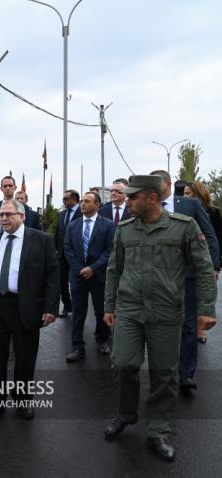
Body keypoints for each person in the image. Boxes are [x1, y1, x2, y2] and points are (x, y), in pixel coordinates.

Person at [102, 175, 217, 462]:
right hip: (129, 308)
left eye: (132, 197)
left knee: (164, 374)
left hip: (166, 312)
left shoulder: (183, 227)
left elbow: (203, 269)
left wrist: (206, 308)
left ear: (152, 198)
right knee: (123, 362)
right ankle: (127, 413)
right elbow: (114, 269)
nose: (126, 202)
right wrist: (109, 305)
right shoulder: (125, 229)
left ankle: (158, 429)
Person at [0, 199, 59, 420]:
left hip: (26, 306)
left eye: (9, 215)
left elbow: (53, 275)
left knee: (25, 358)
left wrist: (51, 307)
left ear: (22, 216)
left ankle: (23, 401)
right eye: (1, 215)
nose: (3, 218)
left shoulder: (41, 240)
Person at [151, 170, 220, 394]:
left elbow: (209, 236)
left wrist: (213, 265)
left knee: (188, 325)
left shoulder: (189, 205)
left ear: (168, 184)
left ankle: (186, 374)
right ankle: (163, 372)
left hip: (188, 275)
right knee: (160, 325)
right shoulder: (146, 205)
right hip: (156, 278)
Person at [63, 191, 116, 362]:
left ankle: (102, 339)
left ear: (97, 205)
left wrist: (92, 268)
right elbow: (67, 248)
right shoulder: (73, 225)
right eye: (82, 202)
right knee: (78, 311)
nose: (82, 204)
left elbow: (110, 250)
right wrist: (81, 269)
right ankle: (77, 346)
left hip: (99, 275)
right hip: (78, 276)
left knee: (101, 309)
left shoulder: (108, 225)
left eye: (87, 201)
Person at [184, 180, 222, 343]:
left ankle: (201, 330)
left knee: (204, 295)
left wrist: (216, 265)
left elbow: (217, 238)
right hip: (188, 260)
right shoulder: (183, 211)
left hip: (207, 260)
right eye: (184, 193)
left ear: (198, 195)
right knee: (189, 296)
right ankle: (187, 326)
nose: (184, 197)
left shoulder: (213, 212)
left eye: (188, 194)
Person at [54, 190, 82, 317]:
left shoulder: (83, 212)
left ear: (75, 199)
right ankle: (67, 305)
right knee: (61, 282)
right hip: (62, 255)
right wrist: (55, 249)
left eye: (66, 199)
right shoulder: (62, 214)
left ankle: (78, 307)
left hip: (77, 255)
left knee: (76, 283)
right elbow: (58, 233)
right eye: (63, 199)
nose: (63, 201)